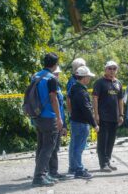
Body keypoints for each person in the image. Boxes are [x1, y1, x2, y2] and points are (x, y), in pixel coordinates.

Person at [32, 53, 63, 187]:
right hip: (49, 117)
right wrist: (59, 117)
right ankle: (39, 177)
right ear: (55, 64)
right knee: (48, 147)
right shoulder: (51, 79)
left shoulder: (35, 76)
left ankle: (42, 174)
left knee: (41, 146)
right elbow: (53, 99)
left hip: (37, 115)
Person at [93, 61, 124, 172]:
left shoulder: (118, 83)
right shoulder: (99, 82)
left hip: (114, 117)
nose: (112, 70)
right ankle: (103, 164)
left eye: (114, 68)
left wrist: (121, 114)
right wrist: (96, 114)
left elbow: (120, 100)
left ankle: (108, 161)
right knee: (103, 141)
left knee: (111, 141)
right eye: (110, 68)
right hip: (103, 117)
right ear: (105, 69)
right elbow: (95, 98)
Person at [69, 66, 99, 179]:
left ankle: (75, 167)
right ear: (84, 77)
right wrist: (94, 124)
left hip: (75, 121)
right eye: (88, 77)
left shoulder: (73, 88)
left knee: (75, 146)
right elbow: (86, 110)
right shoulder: (81, 92)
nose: (89, 79)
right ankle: (79, 170)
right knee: (79, 147)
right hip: (81, 123)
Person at [44, 66, 67, 179]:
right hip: (51, 119)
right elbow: (53, 102)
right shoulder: (50, 85)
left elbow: (62, 107)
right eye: (56, 73)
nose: (57, 76)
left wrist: (64, 124)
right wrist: (59, 119)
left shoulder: (57, 87)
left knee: (55, 147)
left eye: (58, 74)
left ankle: (53, 171)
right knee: (51, 147)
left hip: (58, 120)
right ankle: (49, 172)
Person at [67, 58, 86, 174]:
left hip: (78, 117)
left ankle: (75, 165)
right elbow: (68, 99)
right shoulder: (73, 82)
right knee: (75, 143)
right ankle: (74, 166)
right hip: (76, 117)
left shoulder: (75, 81)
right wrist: (72, 114)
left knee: (77, 143)